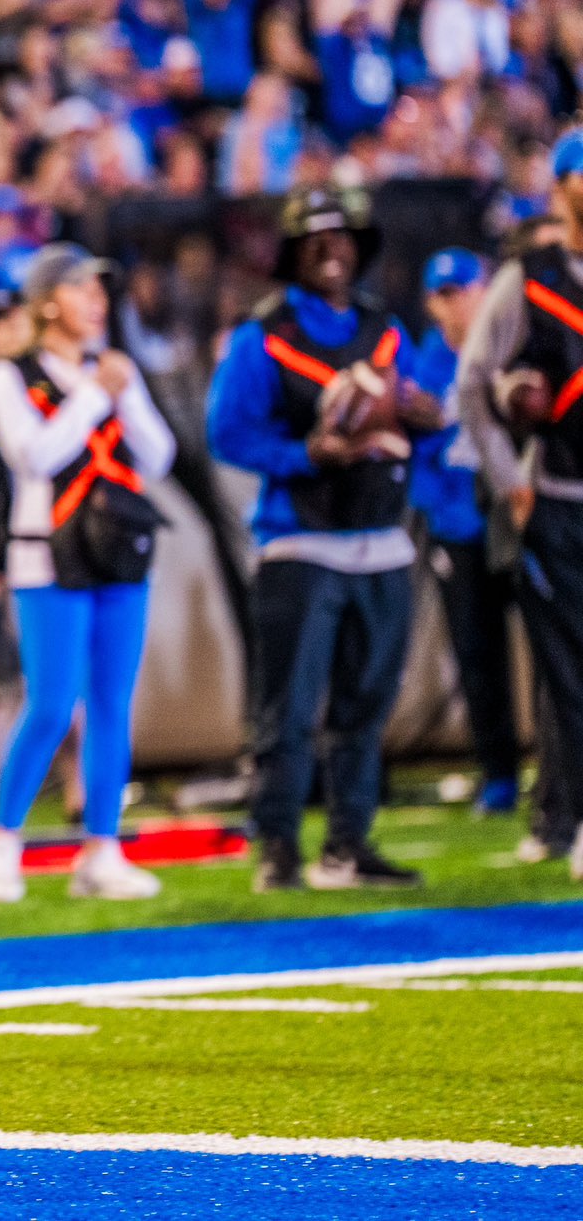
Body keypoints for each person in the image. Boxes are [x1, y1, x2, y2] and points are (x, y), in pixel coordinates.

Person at [207, 186, 440, 893]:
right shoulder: (263, 335)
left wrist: (423, 419)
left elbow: (429, 422)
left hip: (382, 538)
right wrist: (310, 454)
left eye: (341, 237)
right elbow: (229, 434)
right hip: (301, 545)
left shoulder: (385, 329)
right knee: (287, 709)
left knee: (366, 708)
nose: (330, 251)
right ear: (291, 254)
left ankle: (349, 843)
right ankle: (277, 845)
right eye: (314, 240)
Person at [0, 245, 175, 904]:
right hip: (46, 553)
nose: (98, 302)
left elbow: (160, 455)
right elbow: (34, 455)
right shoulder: (11, 374)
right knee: (53, 703)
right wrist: (93, 395)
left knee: (113, 702)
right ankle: (0, 842)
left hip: (117, 550)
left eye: (101, 291)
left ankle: (102, 847)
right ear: (50, 301)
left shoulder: (113, 370)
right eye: (84, 289)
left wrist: (126, 393)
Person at [458, 129, 583, 878]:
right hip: (562, 497)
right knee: (569, 674)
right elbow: (475, 383)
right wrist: (512, 480)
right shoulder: (529, 278)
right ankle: (568, 817)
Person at [0, 293, 87, 834]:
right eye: (1, 323)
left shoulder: (53, 391)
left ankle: (79, 795)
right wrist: (0, 557)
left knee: (61, 687)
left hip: (56, 557)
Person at [407, 248, 522, 817]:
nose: (461, 304)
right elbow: (413, 461)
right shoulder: (422, 368)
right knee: (478, 657)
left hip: (520, 518)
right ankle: (500, 772)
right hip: (461, 529)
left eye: (468, 289)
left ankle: (561, 770)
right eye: (448, 294)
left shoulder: (513, 343)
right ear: (433, 304)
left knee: (557, 650)